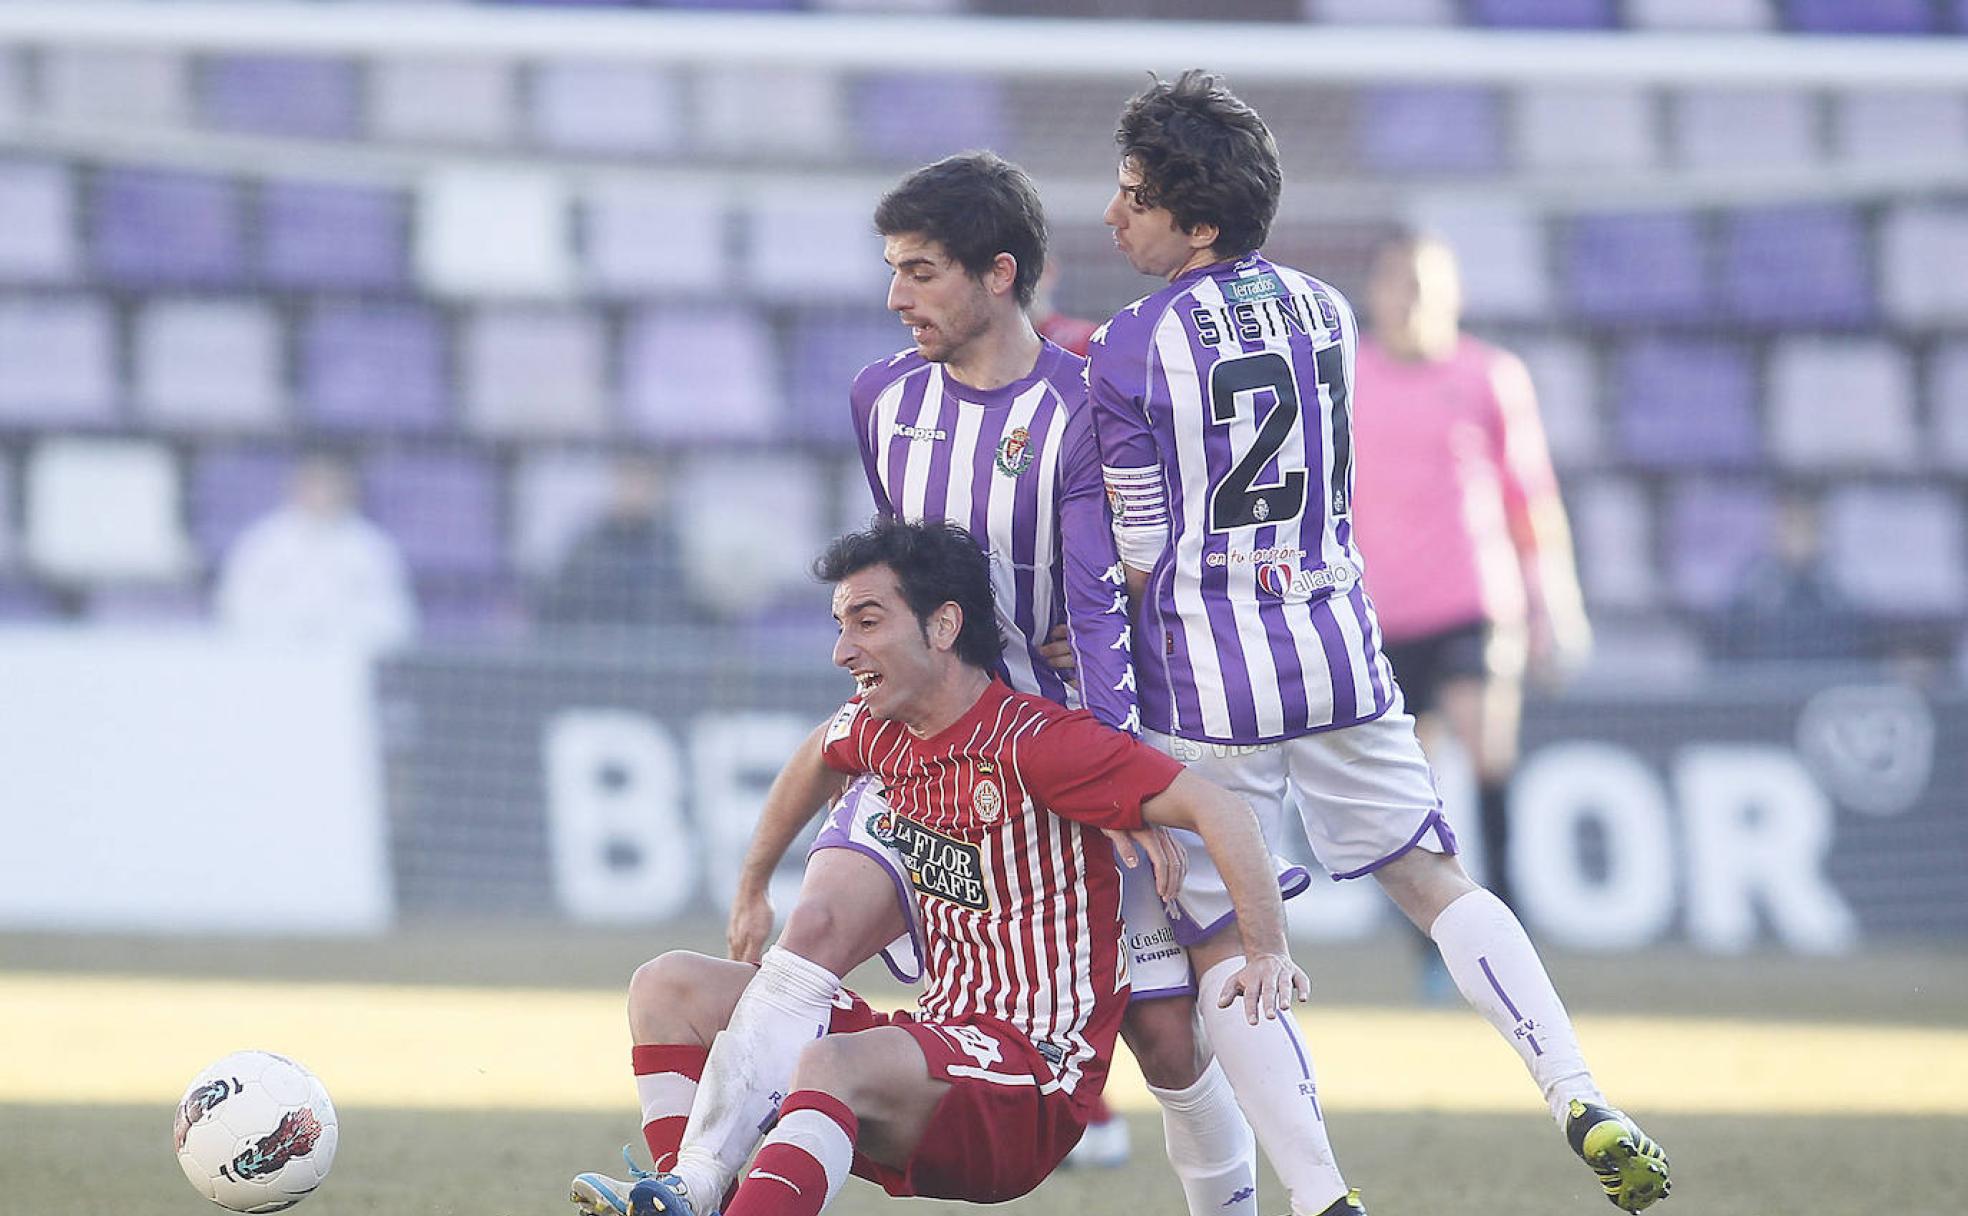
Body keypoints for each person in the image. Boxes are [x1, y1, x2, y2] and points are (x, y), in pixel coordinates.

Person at [571, 153, 1281, 1216]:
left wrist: (1128, 775)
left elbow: (1102, 599)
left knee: (1166, 1033)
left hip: (1055, 751)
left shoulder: (1087, 407)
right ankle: (694, 1186)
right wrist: (761, 870)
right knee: (808, 939)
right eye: (893, 270)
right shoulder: (884, 398)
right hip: (920, 738)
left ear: (1000, 274)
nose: (895, 296)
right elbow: (901, 573)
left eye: (921, 272)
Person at [1087, 71, 1670, 1213]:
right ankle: (1574, 1087)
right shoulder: (1325, 309)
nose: (1115, 215)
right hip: (1343, 648)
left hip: (1211, 680)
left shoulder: (1127, 344)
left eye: (1135, 196)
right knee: (1432, 875)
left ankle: (1320, 1198)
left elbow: (1144, 548)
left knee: (1220, 942)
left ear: (1197, 221)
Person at [579, 518, 1307, 1216]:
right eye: (841, 626)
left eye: (866, 622)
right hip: (937, 1049)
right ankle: (692, 1193)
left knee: (830, 1062)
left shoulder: (1038, 744)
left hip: (1031, 1078)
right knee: (667, 987)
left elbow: (1223, 811)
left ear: (944, 626)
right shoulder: (885, 729)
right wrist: (751, 888)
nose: (842, 651)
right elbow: (813, 755)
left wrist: (1266, 947)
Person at [1349, 231, 1592, 988]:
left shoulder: (1490, 375)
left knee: (1488, 753)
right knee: (1413, 785)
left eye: (1425, 284)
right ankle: (1437, 945)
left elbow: (1531, 498)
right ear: (1376, 292)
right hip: (1383, 613)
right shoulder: (1350, 376)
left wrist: (1558, 604)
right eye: (1399, 283)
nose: (1412, 299)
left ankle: (1513, 930)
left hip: (1474, 602)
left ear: (1451, 292)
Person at [213, 450, 416, 650]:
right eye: (314, 483)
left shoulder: (372, 548)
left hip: (348, 659)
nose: (322, 493)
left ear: (348, 489)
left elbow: (394, 619)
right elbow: (234, 606)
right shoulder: (262, 542)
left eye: (330, 484)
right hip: (270, 656)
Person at [535, 455, 706, 630]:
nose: (635, 491)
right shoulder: (589, 545)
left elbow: (692, 606)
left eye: (644, 482)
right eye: (629, 481)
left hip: (659, 646)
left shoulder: (671, 544)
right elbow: (560, 604)